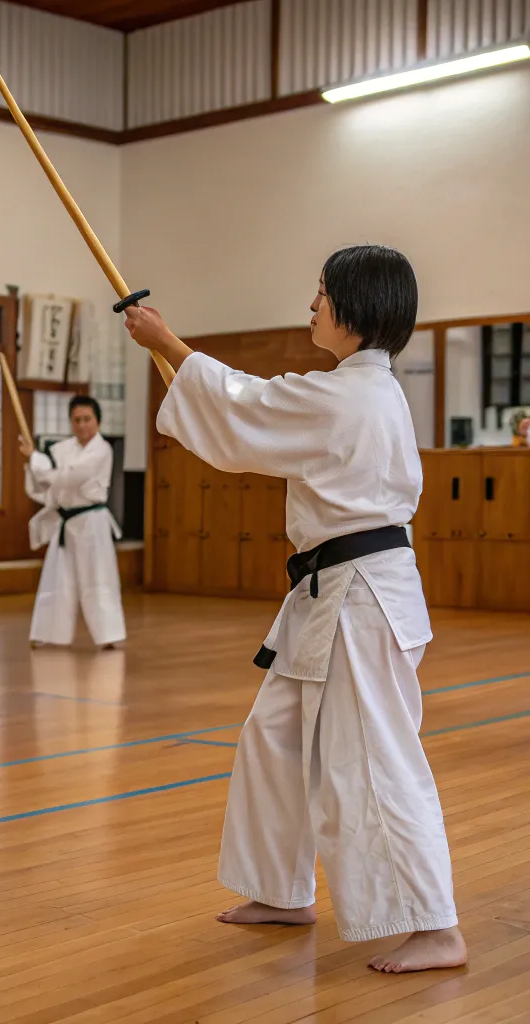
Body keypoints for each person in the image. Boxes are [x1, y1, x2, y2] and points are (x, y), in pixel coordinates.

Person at [123, 244, 466, 974]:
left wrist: (167, 343)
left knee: (375, 759)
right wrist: (174, 356)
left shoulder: (352, 395)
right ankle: (283, 889)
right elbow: (248, 416)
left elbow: (248, 407)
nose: (311, 306)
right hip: (329, 595)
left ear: (355, 308)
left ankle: (435, 924)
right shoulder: (355, 391)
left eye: (321, 294)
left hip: (361, 600)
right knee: (273, 740)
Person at [20, 395, 125, 649]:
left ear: (98, 421)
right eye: (76, 420)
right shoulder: (63, 450)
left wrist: (36, 458)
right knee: (57, 577)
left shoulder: (101, 450)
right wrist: (33, 462)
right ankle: (49, 633)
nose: (82, 425)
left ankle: (108, 634)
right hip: (66, 522)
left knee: (98, 578)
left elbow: (70, 477)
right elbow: (47, 484)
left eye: (87, 419)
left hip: (92, 522)